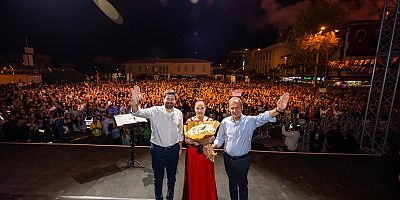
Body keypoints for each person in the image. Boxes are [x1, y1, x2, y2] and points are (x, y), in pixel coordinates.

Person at [213, 93, 289, 200]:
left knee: (243, 184)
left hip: (243, 160)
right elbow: (220, 139)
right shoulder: (225, 122)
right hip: (228, 159)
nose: (235, 110)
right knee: (232, 183)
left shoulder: (249, 121)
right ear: (228, 109)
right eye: (232, 108)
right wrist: (213, 145)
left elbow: (264, 117)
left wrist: (278, 109)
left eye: (237, 108)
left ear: (242, 108)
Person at [131, 85, 183, 200]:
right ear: (163, 99)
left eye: (172, 99)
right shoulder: (154, 111)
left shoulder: (179, 113)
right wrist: (135, 101)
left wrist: (180, 148)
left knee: (172, 178)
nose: (170, 100)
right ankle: (158, 198)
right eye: (167, 98)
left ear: (175, 100)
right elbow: (137, 112)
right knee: (158, 178)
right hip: (158, 150)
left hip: (173, 150)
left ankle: (170, 198)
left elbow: (180, 132)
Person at [182, 101, 217, 200]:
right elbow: (186, 139)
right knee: (194, 177)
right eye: (197, 108)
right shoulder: (189, 121)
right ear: (194, 109)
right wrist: (194, 142)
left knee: (207, 177)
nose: (200, 110)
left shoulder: (210, 121)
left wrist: (211, 139)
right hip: (193, 153)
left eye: (202, 108)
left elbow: (212, 137)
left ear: (205, 108)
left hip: (206, 152)